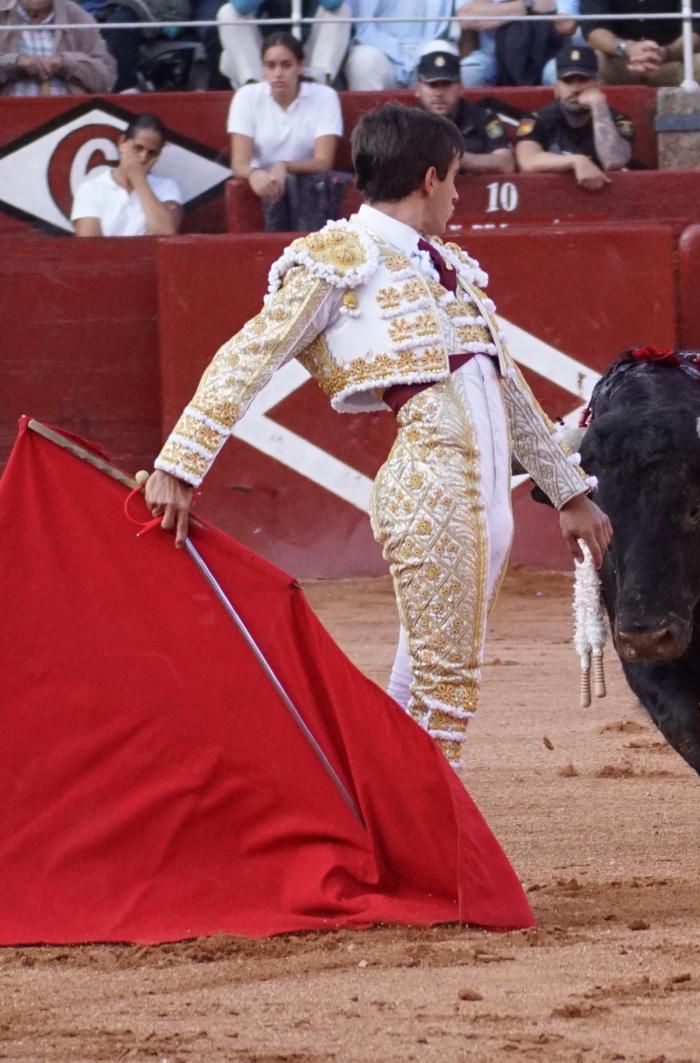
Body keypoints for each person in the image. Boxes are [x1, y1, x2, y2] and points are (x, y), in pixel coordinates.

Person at [144, 103, 613, 768]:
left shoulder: (448, 266)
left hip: (481, 506)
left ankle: (372, 810)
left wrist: (570, 494)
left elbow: (507, 391)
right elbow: (247, 358)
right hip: (432, 495)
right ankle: (416, 825)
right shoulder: (340, 258)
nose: (457, 196)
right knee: (443, 690)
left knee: (422, 681)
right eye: (455, 178)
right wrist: (180, 465)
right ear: (430, 178)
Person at [228, 31, 348, 232]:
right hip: (262, 185)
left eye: (286, 65)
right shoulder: (246, 96)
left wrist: (285, 166)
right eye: (270, 66)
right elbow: (239, 162)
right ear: (262, 68)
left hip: (310, 187)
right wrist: (254, 174)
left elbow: (323, 161)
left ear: (300, 66)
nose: (278, 74)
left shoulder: (325, 96)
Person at [513, 42, 632, 191]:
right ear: (556, 88)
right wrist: (576, 161)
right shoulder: (537, 119)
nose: (575, 89)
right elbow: (527, 161)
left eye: (583, 80)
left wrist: (598, 107)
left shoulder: (618, 119)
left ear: (599, 85)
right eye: (568, 81)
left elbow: (614, 161)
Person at [0, 0, 115, 96]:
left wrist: (65, 63)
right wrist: (15, 62)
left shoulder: (78, 16)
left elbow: (106, 79)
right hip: (6, 117)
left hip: (69, 117)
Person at [71, 114, 182, 237]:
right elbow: (89, 242)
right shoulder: (91, 189)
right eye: (138, 148)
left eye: (152, 153)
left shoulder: (167, 187)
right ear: (122, 142)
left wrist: (138, 179)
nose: (143, 158)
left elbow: (166, 232)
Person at [413, 41, 514, 173]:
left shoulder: (482, 118)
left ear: (461, 88)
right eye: (432, 85)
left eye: (446, 84)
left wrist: (458, 159)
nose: (439, 93)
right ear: (417, 89)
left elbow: (506, 163)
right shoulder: (404, 125)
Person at [215, 0, 350, 88]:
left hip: (308, 57)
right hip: (263, 58)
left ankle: (317, 86)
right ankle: (256, 88)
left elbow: (333, 3)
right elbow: (241, 5)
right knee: (228, 12)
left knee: (341, 10)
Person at [580, 0, 700, 86]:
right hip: (620, 61)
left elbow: (697, 30)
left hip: (669, 62)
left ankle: (689, 121)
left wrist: (666, 52)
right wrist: (628, 48)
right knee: (592, 62)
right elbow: (593, 30)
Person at [342, 0, 456, 90]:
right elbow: (353, 17)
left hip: (427, 50)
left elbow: (463, 10)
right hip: (380, 49)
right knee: (363, 60)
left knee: (441, 53)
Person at [455, 0, 561, 86]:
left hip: (546, 52)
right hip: (492, 54)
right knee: (469, 73)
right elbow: (467, 16)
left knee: (558, 72)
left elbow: (564, 21)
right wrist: (527, 5)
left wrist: (497, 12)